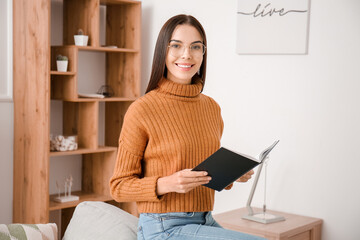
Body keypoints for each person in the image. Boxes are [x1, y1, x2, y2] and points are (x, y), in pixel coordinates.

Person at [110, 14, 266, 240]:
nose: (186, 54)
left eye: (196, 47)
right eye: (176, 46)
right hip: (161, 226)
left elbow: (202, 172)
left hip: (205, 219)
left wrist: (230, 175)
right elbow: (119, 186)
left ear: (204, 53)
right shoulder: (142, 109)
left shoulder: (211, 108)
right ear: (163, 50)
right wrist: (167, 183)